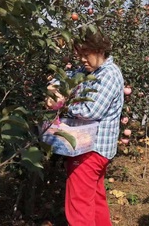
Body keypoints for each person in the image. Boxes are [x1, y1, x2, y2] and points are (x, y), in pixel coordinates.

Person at [46, 28, 124, 225]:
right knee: (95, 198)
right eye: (79, 54)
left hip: (91, 150)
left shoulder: (109, 74)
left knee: (79, 206)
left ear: (100, 50)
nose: (81, 59)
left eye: (85, 54)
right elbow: (68, 76)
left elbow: (91, 110)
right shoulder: (89, 70)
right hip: (90, 147)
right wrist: (54, 87)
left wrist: (62, 102)